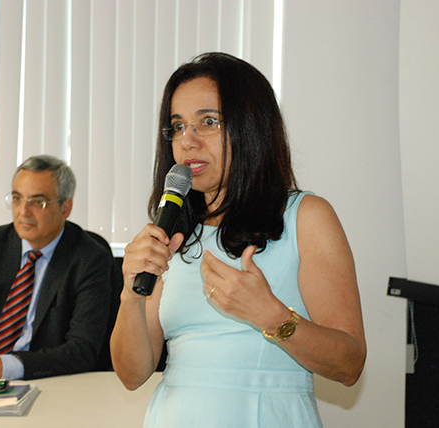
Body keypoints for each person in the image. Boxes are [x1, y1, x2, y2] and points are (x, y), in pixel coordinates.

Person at [110, 53, 366, 427]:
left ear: (251, 127)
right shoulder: (172, 231)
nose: (187, 141)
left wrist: (271, 315)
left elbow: (349, 365)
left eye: (208, 122)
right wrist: (130, 296)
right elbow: (132, 375)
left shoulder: (306, 216)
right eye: (177, 126)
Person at [0, 155, 113, 382]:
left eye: (38, 202)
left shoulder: (90, 258)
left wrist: (3, 367)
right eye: (17, 198)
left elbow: (82, 349)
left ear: (65, 208)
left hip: (45, 380)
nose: (23, 211)